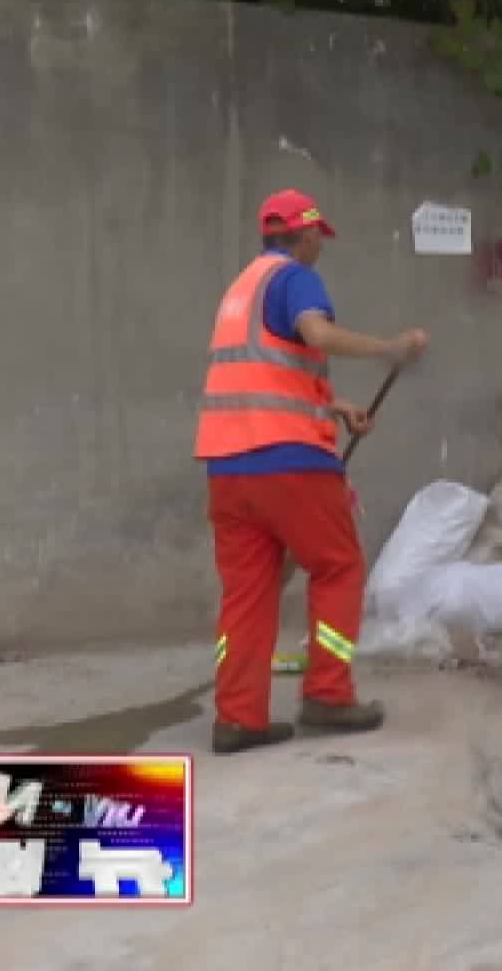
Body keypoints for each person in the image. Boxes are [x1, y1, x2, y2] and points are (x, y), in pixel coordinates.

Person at [194, 189, 429, 755]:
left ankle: (238, 717)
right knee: (339, 567)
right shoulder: (294, 277)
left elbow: (259, 382)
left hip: (228, 468)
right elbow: (317, 336)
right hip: (289, 464)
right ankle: (327, 693)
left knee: (248, 593)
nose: (318, 247)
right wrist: (389, 349)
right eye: (317, 237)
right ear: (305, 235)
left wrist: (333, 406)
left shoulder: (240, 291)